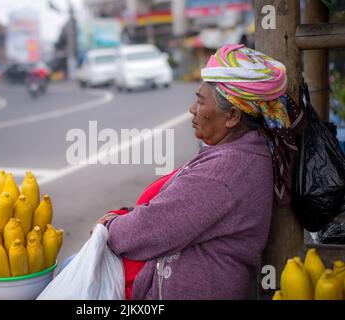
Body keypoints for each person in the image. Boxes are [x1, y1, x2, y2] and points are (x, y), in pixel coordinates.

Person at [95, 44, 304, 300]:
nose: (192, 109)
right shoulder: (243, 152)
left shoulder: (226, 170)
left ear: (232, 116)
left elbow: (146, 231)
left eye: (201, 101)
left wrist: (109, 226)